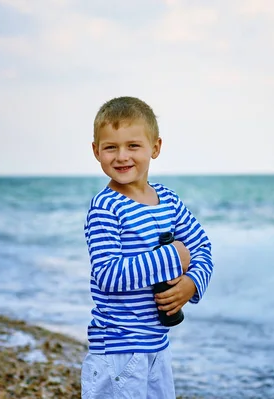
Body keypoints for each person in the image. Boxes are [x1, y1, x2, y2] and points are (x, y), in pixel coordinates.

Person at [81, 96, 214, 398]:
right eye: (110, 147)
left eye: (133, 146)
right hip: (118, 351)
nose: (122, 156)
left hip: (158, 345)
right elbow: (108, 274)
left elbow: (202, 247)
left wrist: (191, 284)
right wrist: (174, 257)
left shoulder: (168, 200)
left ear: (155, 147)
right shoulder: (105, 207)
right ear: (96, 151)